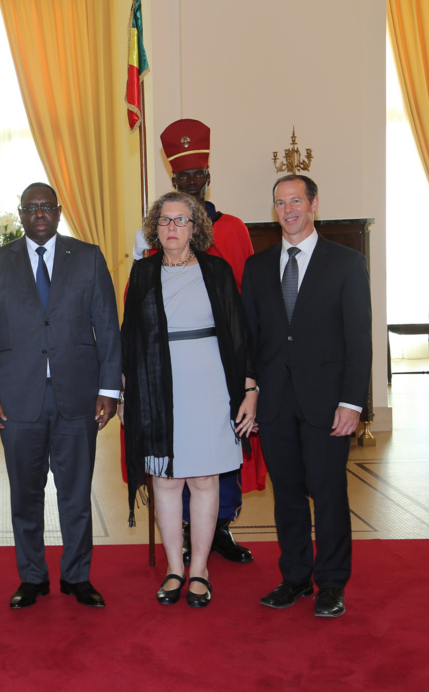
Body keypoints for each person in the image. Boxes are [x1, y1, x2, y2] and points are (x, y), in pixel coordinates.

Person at [0, 183, 121, 609]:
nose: (39, 214)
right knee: (25, 495)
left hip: (78, 396)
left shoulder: (88, 257)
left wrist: (109, 389)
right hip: (17, 400)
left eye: (47, 207)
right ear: (20, 215)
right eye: (31, 208)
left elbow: (108, 327)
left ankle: (77, 577)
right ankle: (32, 577)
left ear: (59, 212)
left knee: (76, 495)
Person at [241, 174, 371, 618]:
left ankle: (332, 584)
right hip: (275, 402)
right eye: (280, 202)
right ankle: (295, 577)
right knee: (288, 496)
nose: (288, 209)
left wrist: (353, 403)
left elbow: (359, 339)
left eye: (296, 200)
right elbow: (250, 341)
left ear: (314, 203)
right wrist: (251, 392)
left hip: (328, 404)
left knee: (330, 494)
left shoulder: (347, 263)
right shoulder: (257, 268)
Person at [129, 118, 259, 565]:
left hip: (218, 369)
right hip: (165, 377)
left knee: (213, 462)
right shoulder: (148, 261)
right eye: (183, 178)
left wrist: (249, 379)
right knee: (171, 467)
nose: (192, 182)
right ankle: (178, 546)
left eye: (198, 176)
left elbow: (245, 310)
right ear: (174, 181)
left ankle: (218, 530)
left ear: (207, 177)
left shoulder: (234, 230)